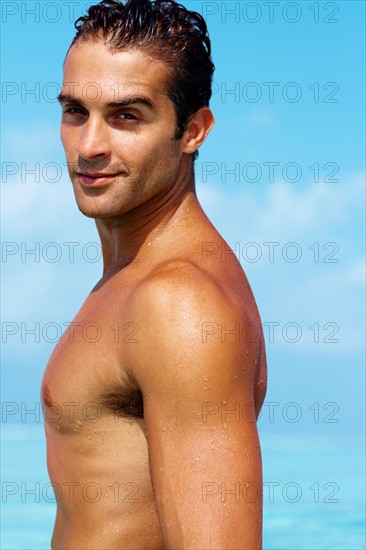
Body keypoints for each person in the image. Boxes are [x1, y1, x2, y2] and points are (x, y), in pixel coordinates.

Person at [41, 0, 267, 547]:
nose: (89, 146)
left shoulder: (178, 304)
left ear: (194, 130)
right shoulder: (135, 278)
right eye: (76, 111)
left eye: (126, 116)